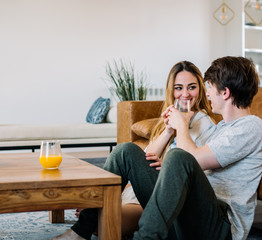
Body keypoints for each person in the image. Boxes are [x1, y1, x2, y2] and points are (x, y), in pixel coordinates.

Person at [52, 56, 262, 240]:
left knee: (178, 156)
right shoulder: (223, 128)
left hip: (219, 226)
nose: (206, 95)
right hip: (189, 216)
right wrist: (170, 138)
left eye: (209, 89)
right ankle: (80, 232)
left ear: (225, 93)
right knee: (125, 152)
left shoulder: (251, 127)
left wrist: (181, 127)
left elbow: (192, 159)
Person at [74, 60, 217, 237]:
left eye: (192, 87)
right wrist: (167, 131)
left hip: (172, 198)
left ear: (200, 89)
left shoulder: (205, 123)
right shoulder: (169, 120)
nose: (185, 94)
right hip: (143, 194)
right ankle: (89, 219)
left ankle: (91, 217)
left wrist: (182, 128)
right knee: (99, 221)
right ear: (171, 91)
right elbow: (143, 160)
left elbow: (195, 168)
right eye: (178, 88)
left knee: (100, 221)